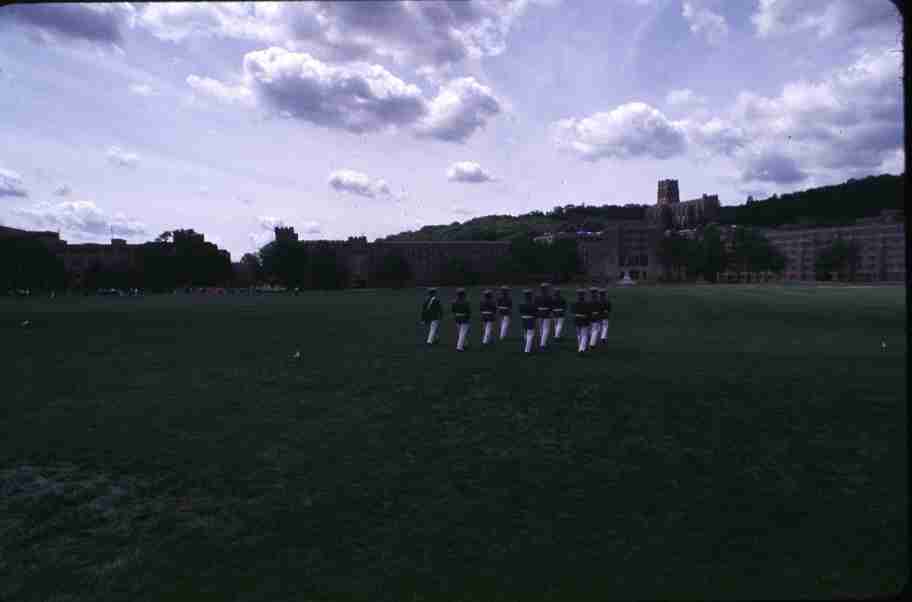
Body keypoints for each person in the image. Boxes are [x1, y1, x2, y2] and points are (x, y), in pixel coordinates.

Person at [535, 282, 554, 349]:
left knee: (541, 329)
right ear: (546, 289)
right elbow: (551, 307)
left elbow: (535, 306)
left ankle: (542, 342)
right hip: (546, 314)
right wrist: (551, 313)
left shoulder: (537, 297)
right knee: (546, 329)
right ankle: (543, 344)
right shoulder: (549, 297)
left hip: (539, 313)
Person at [519, 289, 537, 354]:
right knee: (530, 334)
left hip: (524, 319)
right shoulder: (533, 304)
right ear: (530, 296)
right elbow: (535, 313)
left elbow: (520, 311)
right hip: (531, 320)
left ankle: (527, 345)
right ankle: (527, 350)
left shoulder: (521, 303)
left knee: (525, 333)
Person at [572, 289, 590, 354]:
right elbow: (589, 313)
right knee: (584, 335)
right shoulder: (587, 303)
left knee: (579, 334)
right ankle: (581, 349)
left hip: (577, 320)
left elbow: (573, 312)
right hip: (584, 320)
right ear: (584, 295)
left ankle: (580, 346)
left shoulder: (575, 302)